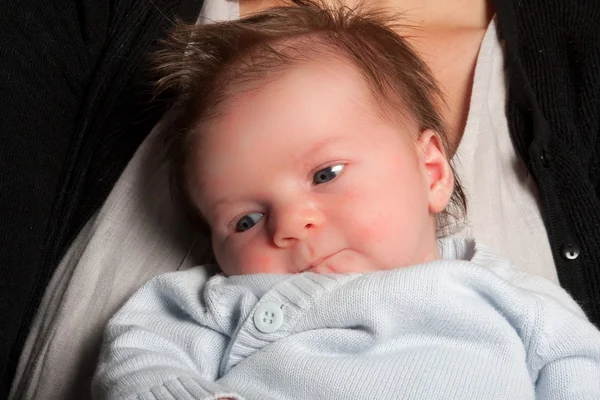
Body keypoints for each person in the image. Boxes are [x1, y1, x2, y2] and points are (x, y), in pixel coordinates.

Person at [6, 0, 600, 398]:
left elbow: (579, 367)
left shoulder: (503, 293)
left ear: (431, 170)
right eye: (245, 218)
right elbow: (141, 354)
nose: (289, 224)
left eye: (326, 174)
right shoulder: (213, 303)